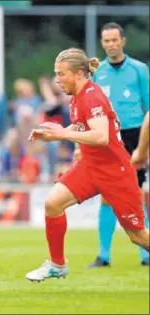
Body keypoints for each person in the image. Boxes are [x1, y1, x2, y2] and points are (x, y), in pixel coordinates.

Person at [25, 48, 149, 282]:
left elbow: (101, 136)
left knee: (138, 236)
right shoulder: (78, 96)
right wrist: (53, 133)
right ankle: (57, 265)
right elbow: (82, 127)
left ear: (79, 74)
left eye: (61, 74)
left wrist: (63, 135)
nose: (57, 80)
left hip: (116, 173)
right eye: (56, 74)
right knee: (52, 204)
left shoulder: (92, 96)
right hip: (91, 167)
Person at [88, 22, 149, 267]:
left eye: (115, 40)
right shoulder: (97, 71)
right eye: (106, 41)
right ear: (102, 43)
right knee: (106, 194)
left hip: (134, 135)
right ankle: (104, 255)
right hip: (108, 137)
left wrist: (143, 146)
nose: (111, 44)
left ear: (123, 40)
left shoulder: (139, 69)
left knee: (135, 192)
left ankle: (145, 254)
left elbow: (149, 110)